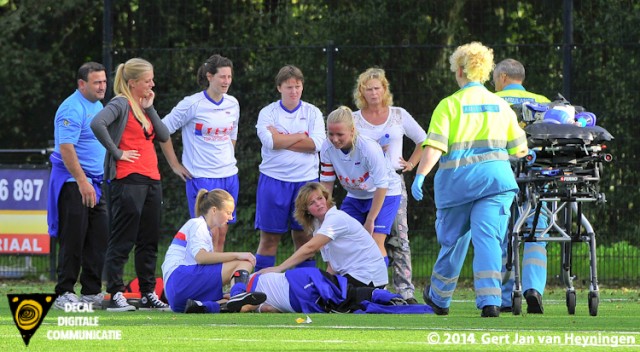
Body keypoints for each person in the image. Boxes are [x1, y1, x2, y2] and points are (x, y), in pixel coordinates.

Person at [411, 42, 528, 318]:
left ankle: (439, 298)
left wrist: (420, 176)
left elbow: (435, 148)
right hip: (498, 182)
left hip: (458, 185)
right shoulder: (501, 106)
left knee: (453, 241)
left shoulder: (449, 105)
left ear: (460, 70)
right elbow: (520, 150)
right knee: (489, 240)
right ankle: (491, 302)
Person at [91, 58, 171, 312]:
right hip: (128, 178)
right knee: (123, 238)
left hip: (151, 178)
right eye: (148, 81)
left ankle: (147, 292)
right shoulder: (120, 103)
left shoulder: (142, 105)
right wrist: (117, 152)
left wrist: (151, 108)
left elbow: (164, 135)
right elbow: (98, 123)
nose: (152, 84)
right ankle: (114, 292)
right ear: (133, 82)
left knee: (148, 239)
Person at [352, 67, 427, 304]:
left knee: (400, 237)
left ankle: (405, 290)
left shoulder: (398, 115)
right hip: (364, 186)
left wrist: (412, 163)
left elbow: (423, 140)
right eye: (368, 89)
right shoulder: (354, 119)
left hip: (394, 183)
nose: (373, 93)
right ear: (361, 91)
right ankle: (371, 287)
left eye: (377, 88)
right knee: (366, 237)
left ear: (385, 89)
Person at [161, 54, 240, 252]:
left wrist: (226, 159)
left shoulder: (233, 103)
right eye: (222, 77)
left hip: (229, 176)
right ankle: (201, 278)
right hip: (202, 177)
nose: (226, 81)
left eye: (229, 77)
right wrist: (174, 165)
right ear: (209, 76)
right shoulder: (191, 104)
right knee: (206, 234)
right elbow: (162, 130)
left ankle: (217, 280)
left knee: (222, 232)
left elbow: (232, 134)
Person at [48, 62, 108, 309]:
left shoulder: (98, 105)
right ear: (81, 84)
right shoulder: (71, 108)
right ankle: (64, 292)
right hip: (75, 182)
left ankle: (91, 292)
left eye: (104, 81)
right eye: (97, 82)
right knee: (73, 237)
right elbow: (66, 148)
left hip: (95, 182)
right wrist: (83, 181)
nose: (102, 86)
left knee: (98, 237)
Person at [254, 65, 326, 271]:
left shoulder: (312, 112)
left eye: (297, 86)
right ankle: (259, 290)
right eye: (289, 87)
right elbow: (270, 143)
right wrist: (300, 136)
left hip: (306, 182)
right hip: (273, 181)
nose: (294, 91)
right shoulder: (267, 112)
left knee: (304, 238)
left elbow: (316, 144)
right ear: (279, 88)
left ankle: (305, 290)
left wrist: (281, 138)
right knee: (269, 239)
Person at [493, 58, 550, 314]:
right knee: (536, 230)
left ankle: (506, 297)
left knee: (503, 234)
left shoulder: (491, 103)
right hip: (536, 176)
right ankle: (533, 288)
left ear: (503, 77)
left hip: (500, 174)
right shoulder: (543, 102)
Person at [257, 182, 387, 289]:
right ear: (305, 210)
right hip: (354, 278)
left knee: (313, 292)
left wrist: (279, 268)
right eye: (311, 203)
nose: (318, 203)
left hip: (369, 280)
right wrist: (323, 284)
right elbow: (332, 267)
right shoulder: (318, 228)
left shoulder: (335, 219)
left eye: (320, 198)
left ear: (326, 198)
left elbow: (310, 249)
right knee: (313, 288)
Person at [319, 106, 402, 269]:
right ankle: (342, 288)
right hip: (355, 195)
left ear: (352, 130)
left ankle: (379, 289)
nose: (334, 139)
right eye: (331, 134)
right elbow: (326, 183)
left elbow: (382, 185)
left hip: (386, 193)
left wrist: (371, 219)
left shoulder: (368, 147)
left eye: (340, 134)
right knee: (344, 240)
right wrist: (324, 213)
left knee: (375, 241)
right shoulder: (326, 147)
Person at [161, 189, 266, 314]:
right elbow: (201, 257)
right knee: (245, 261)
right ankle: (238, 294)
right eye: (228, 213)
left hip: (177, 298)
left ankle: (204, 306)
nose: (231, 217)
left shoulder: (203, 228)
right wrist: (238, 254)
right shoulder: (198, 224)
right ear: (214, 210)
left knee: (240, 304)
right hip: (180, 279)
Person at [243, 267, 433, 314]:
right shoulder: (261, 277)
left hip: (306, 283)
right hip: (308, 279)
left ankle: (388, 299)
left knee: (347, 299)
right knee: (349, 296)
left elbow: (310, 248)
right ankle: (389, 298)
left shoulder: (333, 221)